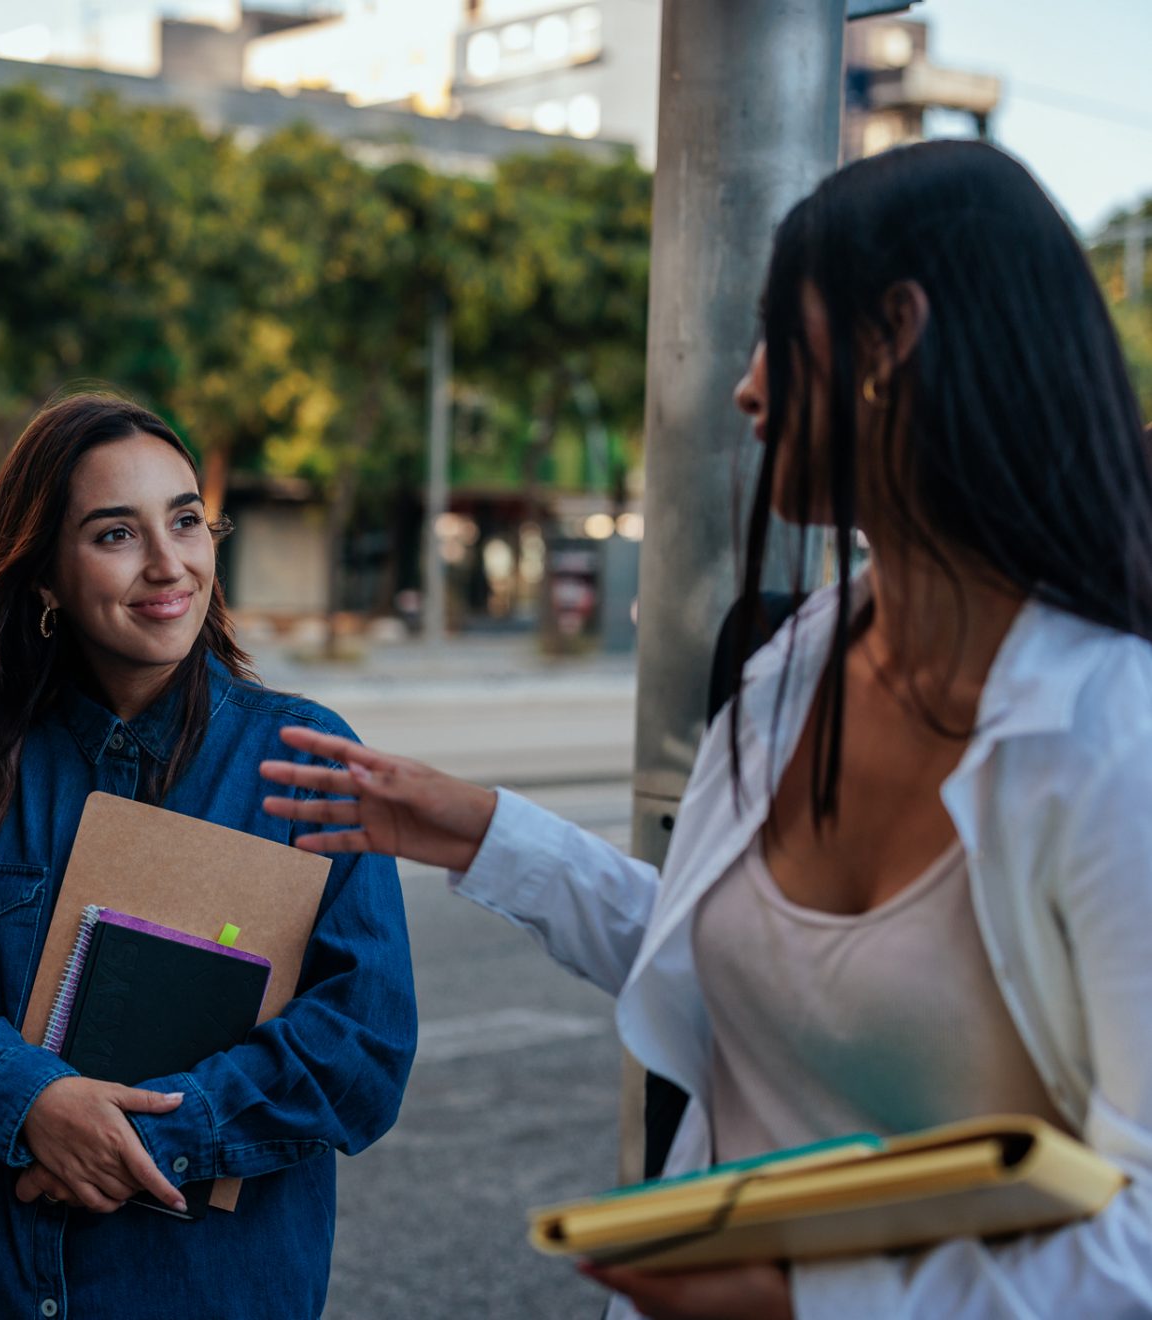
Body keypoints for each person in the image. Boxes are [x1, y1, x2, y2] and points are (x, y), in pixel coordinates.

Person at [263, 140, 1152, 1319]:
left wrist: (809, 1296)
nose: (746, 387)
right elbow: (742, 970)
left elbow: (1134, 1234)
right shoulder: (800, 660)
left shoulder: (1111, 739)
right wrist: (482, 832)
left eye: (779, 333)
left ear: (894, 335)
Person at [0, 392, 417, 1319]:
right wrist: (29, 1105)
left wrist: (146, 1138)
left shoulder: (304, 762)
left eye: (185, 520)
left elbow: (361, 1044)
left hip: (202, 1290)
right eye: (114, 534)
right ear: (44, 576)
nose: (167, 563)